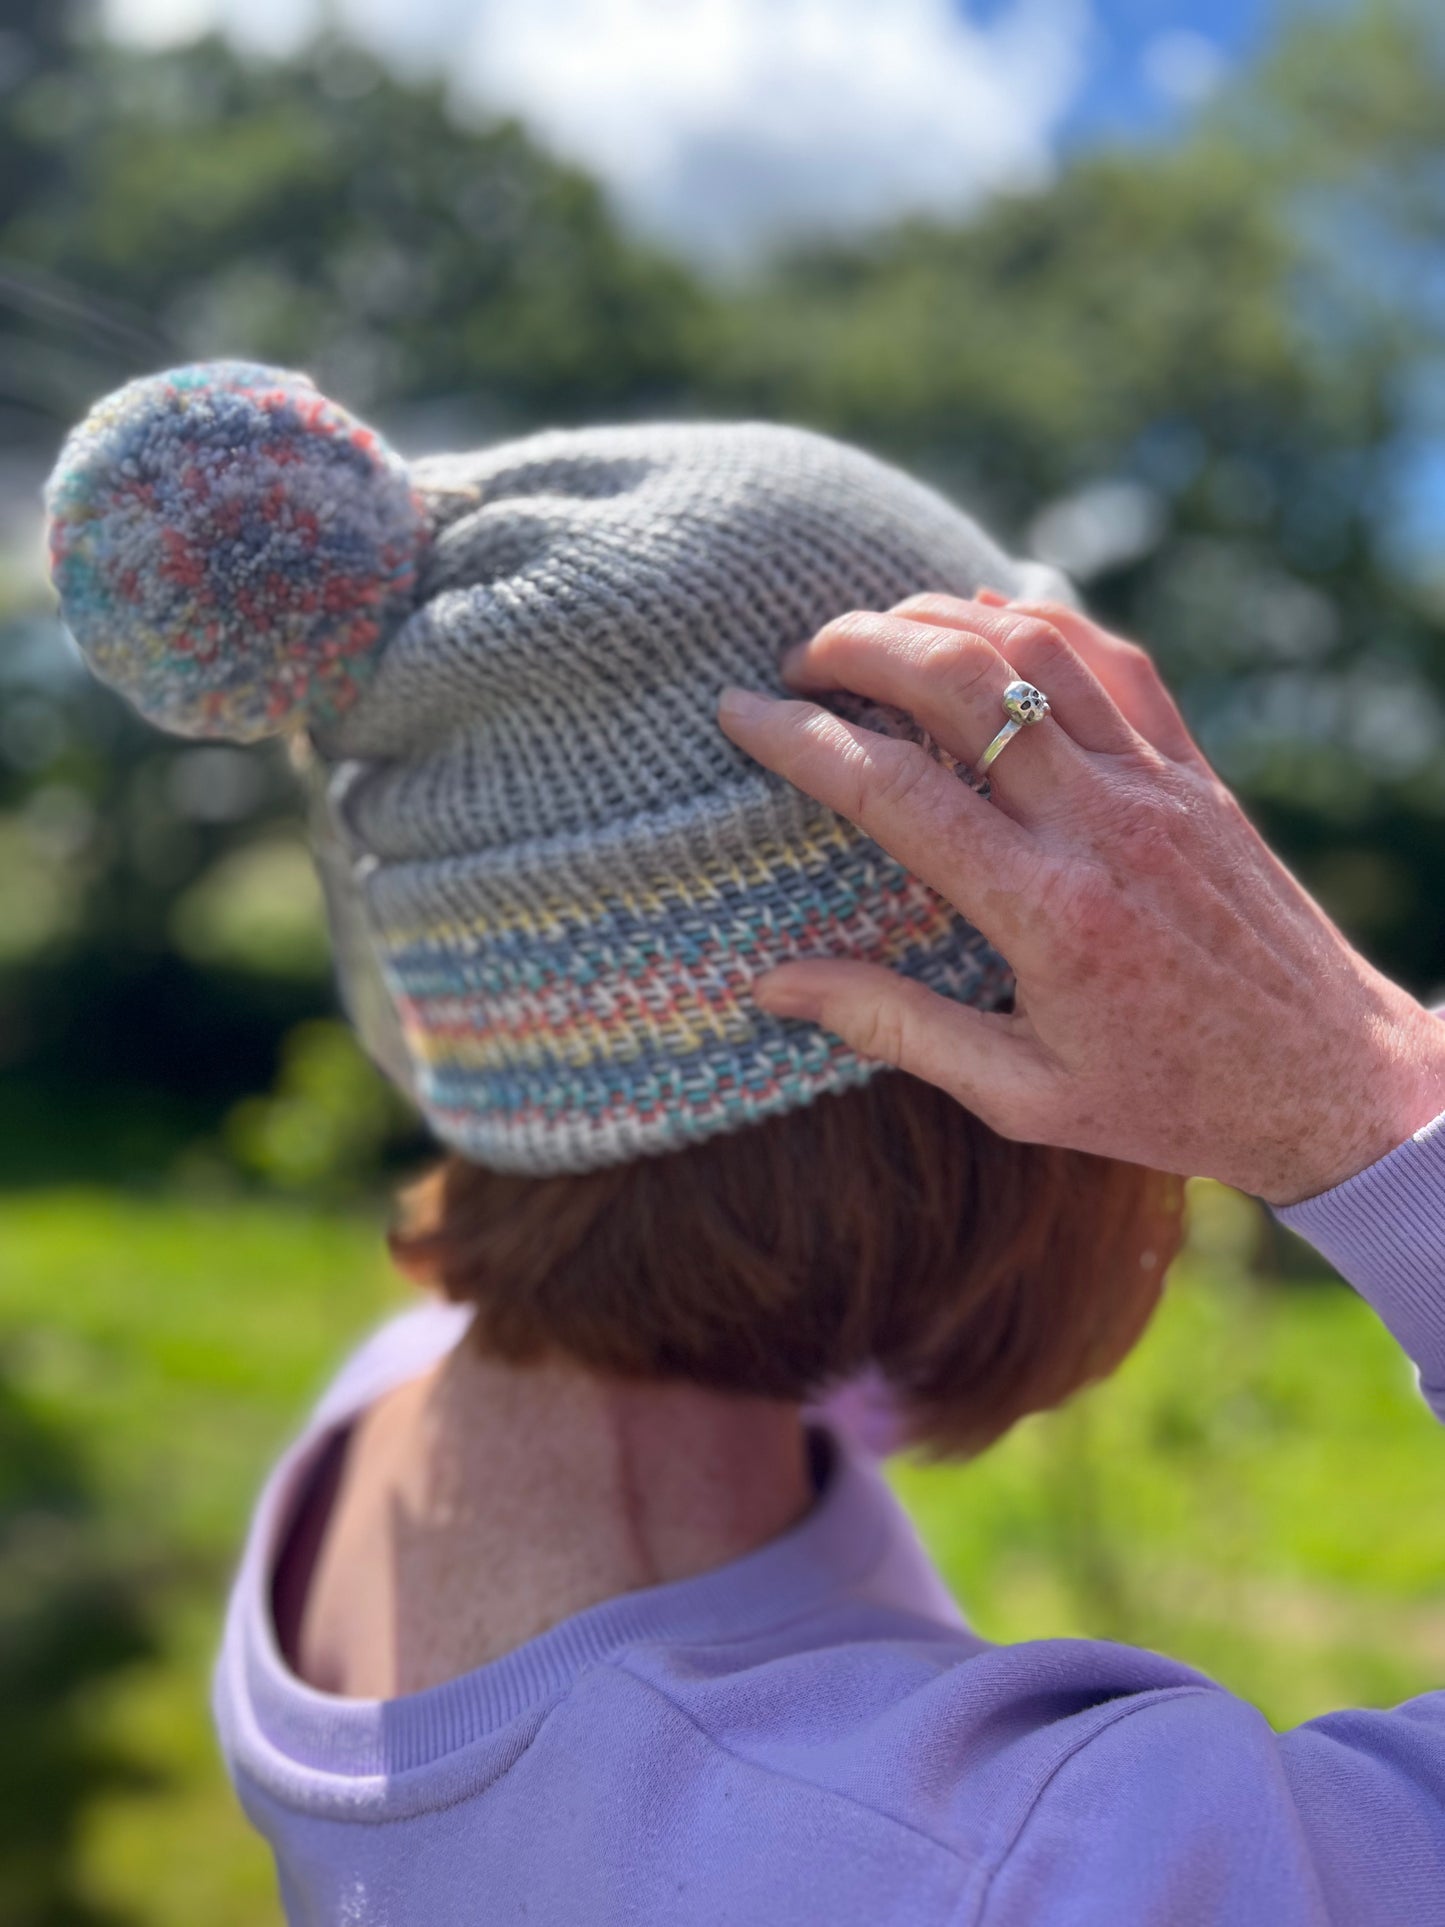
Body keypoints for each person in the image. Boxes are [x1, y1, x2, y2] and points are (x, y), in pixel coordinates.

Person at [45, 361, 1445, 1925]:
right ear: (958, 1089)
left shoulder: (399, 1419)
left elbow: (734, 1195)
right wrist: (1371, 1107)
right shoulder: (1015, 1870)